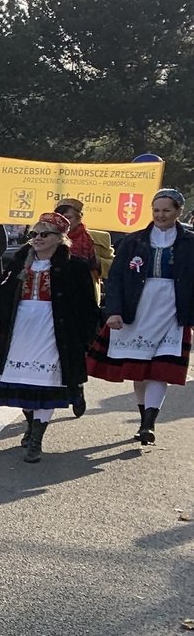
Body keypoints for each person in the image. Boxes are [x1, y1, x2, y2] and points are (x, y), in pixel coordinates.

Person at [0, 214, 100, 462]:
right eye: (35, 234)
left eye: (45, 234)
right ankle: (32, 424)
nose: (38, 239)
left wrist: (88, 338)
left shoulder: (74, 266)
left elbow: (87, 305)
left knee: (46, 381)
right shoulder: (20, 261)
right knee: (22, 379)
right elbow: (1, 294)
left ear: (60, 238)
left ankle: (36, 439)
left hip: (54, 331)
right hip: (20, 328)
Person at [86, 188, 194, 446]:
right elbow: (117, 279)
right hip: (139, 306)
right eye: (156, 210)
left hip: (173, 308)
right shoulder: (134, 241)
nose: (160, 215)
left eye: (167, 210)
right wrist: (113, 311)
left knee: (161, 367)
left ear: (179, 211)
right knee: (140, 368)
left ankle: (148, 423)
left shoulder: (190, 241)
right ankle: (144, 414)